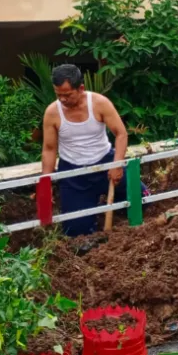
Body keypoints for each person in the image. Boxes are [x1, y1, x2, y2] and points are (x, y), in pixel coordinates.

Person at [41, 64, 130, 237]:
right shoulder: (52, 112)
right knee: (76, 232)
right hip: (73, 173)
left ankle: (119, 222)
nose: (63, 100)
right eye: (58, 95)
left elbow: (121, 134)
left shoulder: (99, 103)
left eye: (67, 95)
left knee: (142, 200)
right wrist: (46, 182)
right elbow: (49, 149)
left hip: (105, 163)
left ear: (80, 88)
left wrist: (117, 164)